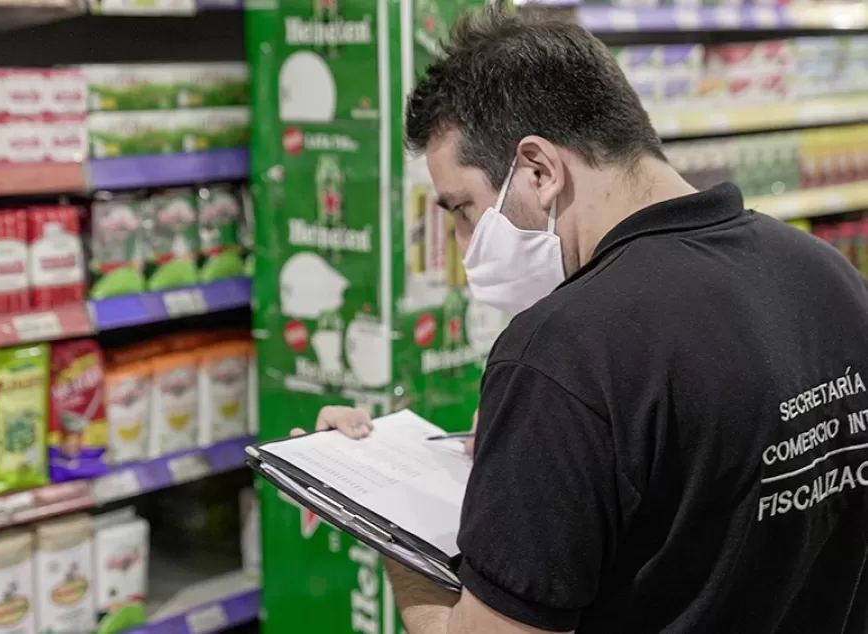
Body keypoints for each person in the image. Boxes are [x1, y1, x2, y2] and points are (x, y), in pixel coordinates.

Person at [295, 5, 868, 634]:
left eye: (462, 208)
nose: (463, 247)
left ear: (539, 170)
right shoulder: (828, 273)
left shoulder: (563, 352)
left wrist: (384, 528)